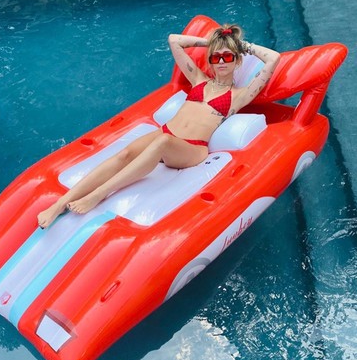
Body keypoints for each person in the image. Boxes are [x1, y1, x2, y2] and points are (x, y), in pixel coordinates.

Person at [37, 24, 280, 228]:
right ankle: (60, 203)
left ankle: (97, 195)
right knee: (124, 154)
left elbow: (273, 58)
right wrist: (212, 42)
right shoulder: (199, 79)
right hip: (166, 134)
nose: (222, 62)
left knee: (162, 142)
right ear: (211, 61)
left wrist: (239, 45)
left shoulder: (239, 95)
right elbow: (174, 40)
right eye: (216, 57)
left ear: (237, 60)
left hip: (191, 149)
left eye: (228, 56)